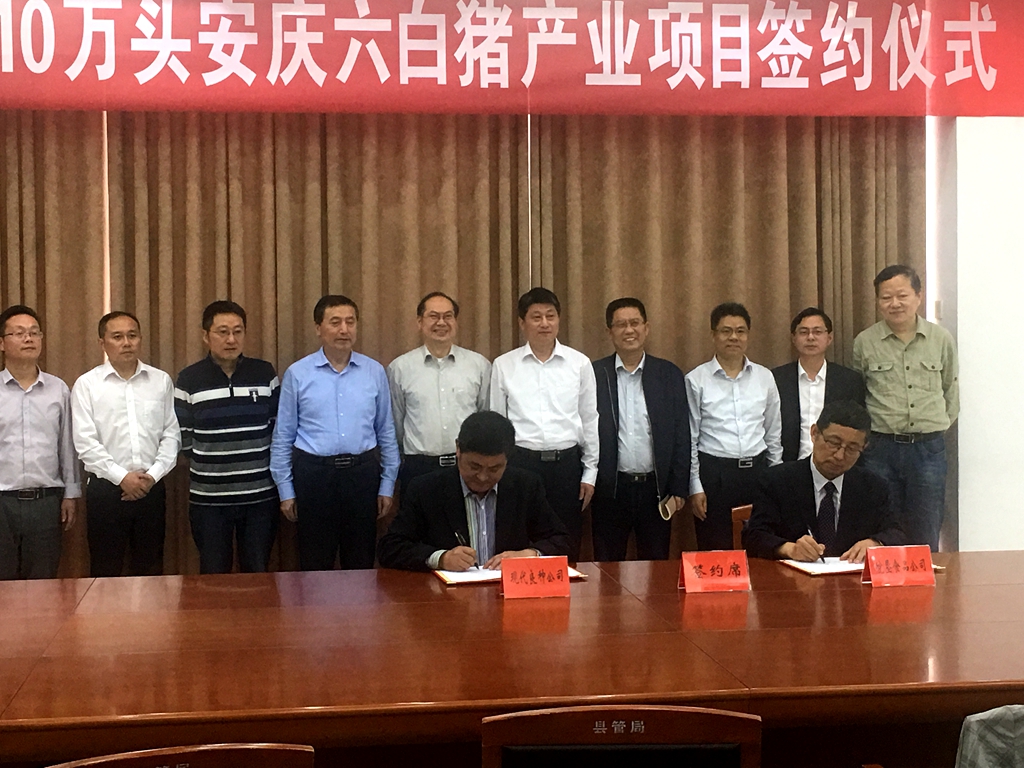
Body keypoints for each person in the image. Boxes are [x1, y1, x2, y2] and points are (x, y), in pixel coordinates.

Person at [270, 294, 399, 571]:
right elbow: (283, 435)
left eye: (350, 322)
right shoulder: (298, 373)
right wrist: (286, 490)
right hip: (314, 476)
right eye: (335, 322)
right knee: (315, 564)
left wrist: (387, 484)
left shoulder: (374, 371)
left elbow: (386, 431)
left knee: (361, 564)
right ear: (318, 328)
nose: (344, 330)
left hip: (362, 475)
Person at [377, 410, 569, 572]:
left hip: (506, 595)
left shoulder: (525, 486)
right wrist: (440, 558)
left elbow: (562, 540)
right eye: (474, 466)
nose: (483, 477)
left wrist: (529, 555)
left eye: (494, 469)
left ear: (507, 459)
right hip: (447, 598)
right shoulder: (427, 489)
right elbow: (390, 547)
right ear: (458, 450)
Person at [853, 265, 959, 551]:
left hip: (928, 450)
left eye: (902, 295)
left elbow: (950, 389)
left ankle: (926, 580)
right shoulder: (864, 342)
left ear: (918, 296)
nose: (895, 303)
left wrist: (935, 427)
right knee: (882, 526)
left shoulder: (940, 339)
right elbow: (858, 392)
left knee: (927, 526)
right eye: (886, 297)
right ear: (878, 301)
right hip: (880, 449)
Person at [490, 287, 599, 561]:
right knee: (518, 540)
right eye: (536, 317)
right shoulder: (504, 365)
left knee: (566, 542)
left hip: (566, 467)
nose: (544, 323)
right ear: (522, 323)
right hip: (520, 465)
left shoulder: (579, 364)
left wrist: (590, 472)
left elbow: (590, 419)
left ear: (559, 320)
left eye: (550, 316)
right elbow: (497, 423)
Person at [72, 311, 180, 577]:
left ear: (140, 338)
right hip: (106, 490)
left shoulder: (160, 381)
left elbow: (171, 435)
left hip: (151, 487)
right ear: (102, 343)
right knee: (105, 572)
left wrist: (152, 476)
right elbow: (85, 442)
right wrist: (122, 478)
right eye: (117, 337)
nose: (126, 343)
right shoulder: (87, 385)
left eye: (132, 335)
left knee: (150, 571)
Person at [175, 301, 280, 574]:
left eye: (237, 331)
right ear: (205, 336)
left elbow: (276, 427)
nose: (231, 339)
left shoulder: (264, 373)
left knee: (257, 572)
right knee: (213, 574)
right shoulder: (189, 379)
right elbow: (184, 438)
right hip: (209, 499)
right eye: (222, 332)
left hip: (259, 496)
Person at [591, 298, 690, 561]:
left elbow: (682, 434)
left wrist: (679, 488)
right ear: (609, 331)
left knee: (655, 567)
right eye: (621, 324)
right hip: (610, 490)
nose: (629, 330)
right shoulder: (594, 374)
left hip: (655, 491)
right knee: (607, 566)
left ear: (646, 328)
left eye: (635, 323)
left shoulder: (668, 374)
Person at [746, 400, 905, 563]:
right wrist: (790, 549)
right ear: (814, 433)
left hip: (850, 576)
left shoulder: (872, 486)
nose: (840, 456)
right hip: (794, 576)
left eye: (852, 448)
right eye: (833, 443)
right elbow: (755, 536)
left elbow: (896, 533)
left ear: (864, 447)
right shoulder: (777, 481)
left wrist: (875, 543)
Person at [685, 302, 782, 551]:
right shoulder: (696, 380)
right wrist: (695, 486)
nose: (734, 337)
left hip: (758, 473)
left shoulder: (764, 377)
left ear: (748, 335)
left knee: (760, 546)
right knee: (715, 550)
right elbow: (690, 438)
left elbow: (773, 433)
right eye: (726, 331)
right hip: (715, 476)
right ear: (713, 335)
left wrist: (775, 478)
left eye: (740, 331)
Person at [0, 305, 80, 580]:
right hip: (2, 500)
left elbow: (66, 444)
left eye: (35, 333)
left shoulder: (58, 389)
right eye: (19, 333)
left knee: (43, 585)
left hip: (46, 501)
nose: (29, 338)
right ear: (2, 343)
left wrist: (70, 493)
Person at [387, 292, 490, 489]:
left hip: (466, 467)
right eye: (433, 316)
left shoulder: (479, 366)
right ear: (419, 322)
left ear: (456, 321)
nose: (441, 322)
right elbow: (396, 423)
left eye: (448, 316)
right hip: (418, 467)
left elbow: (484, 416)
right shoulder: (400, 368)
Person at [773, 307, 865, 462]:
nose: (810, 337)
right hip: (788, 466)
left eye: (817, 332)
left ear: (829, 338)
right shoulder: (776, 379)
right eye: (804, 332)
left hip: (836, 464)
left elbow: (857, 429)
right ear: (794, 338)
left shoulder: (849, 381)